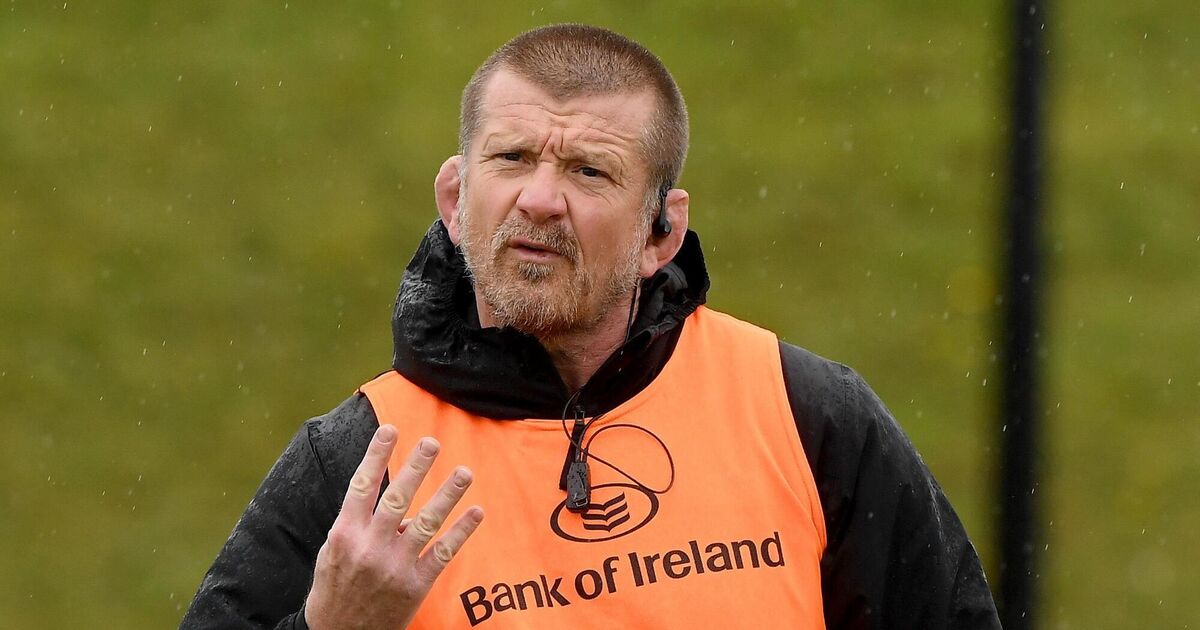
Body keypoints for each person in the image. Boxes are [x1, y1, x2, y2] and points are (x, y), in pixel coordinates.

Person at [182, 24, 1001, 630]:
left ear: (661, 234)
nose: (540, 198)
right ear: (455, 202)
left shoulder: (805, 412)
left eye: (589, 170)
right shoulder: (362, 460)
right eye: (512, 159)